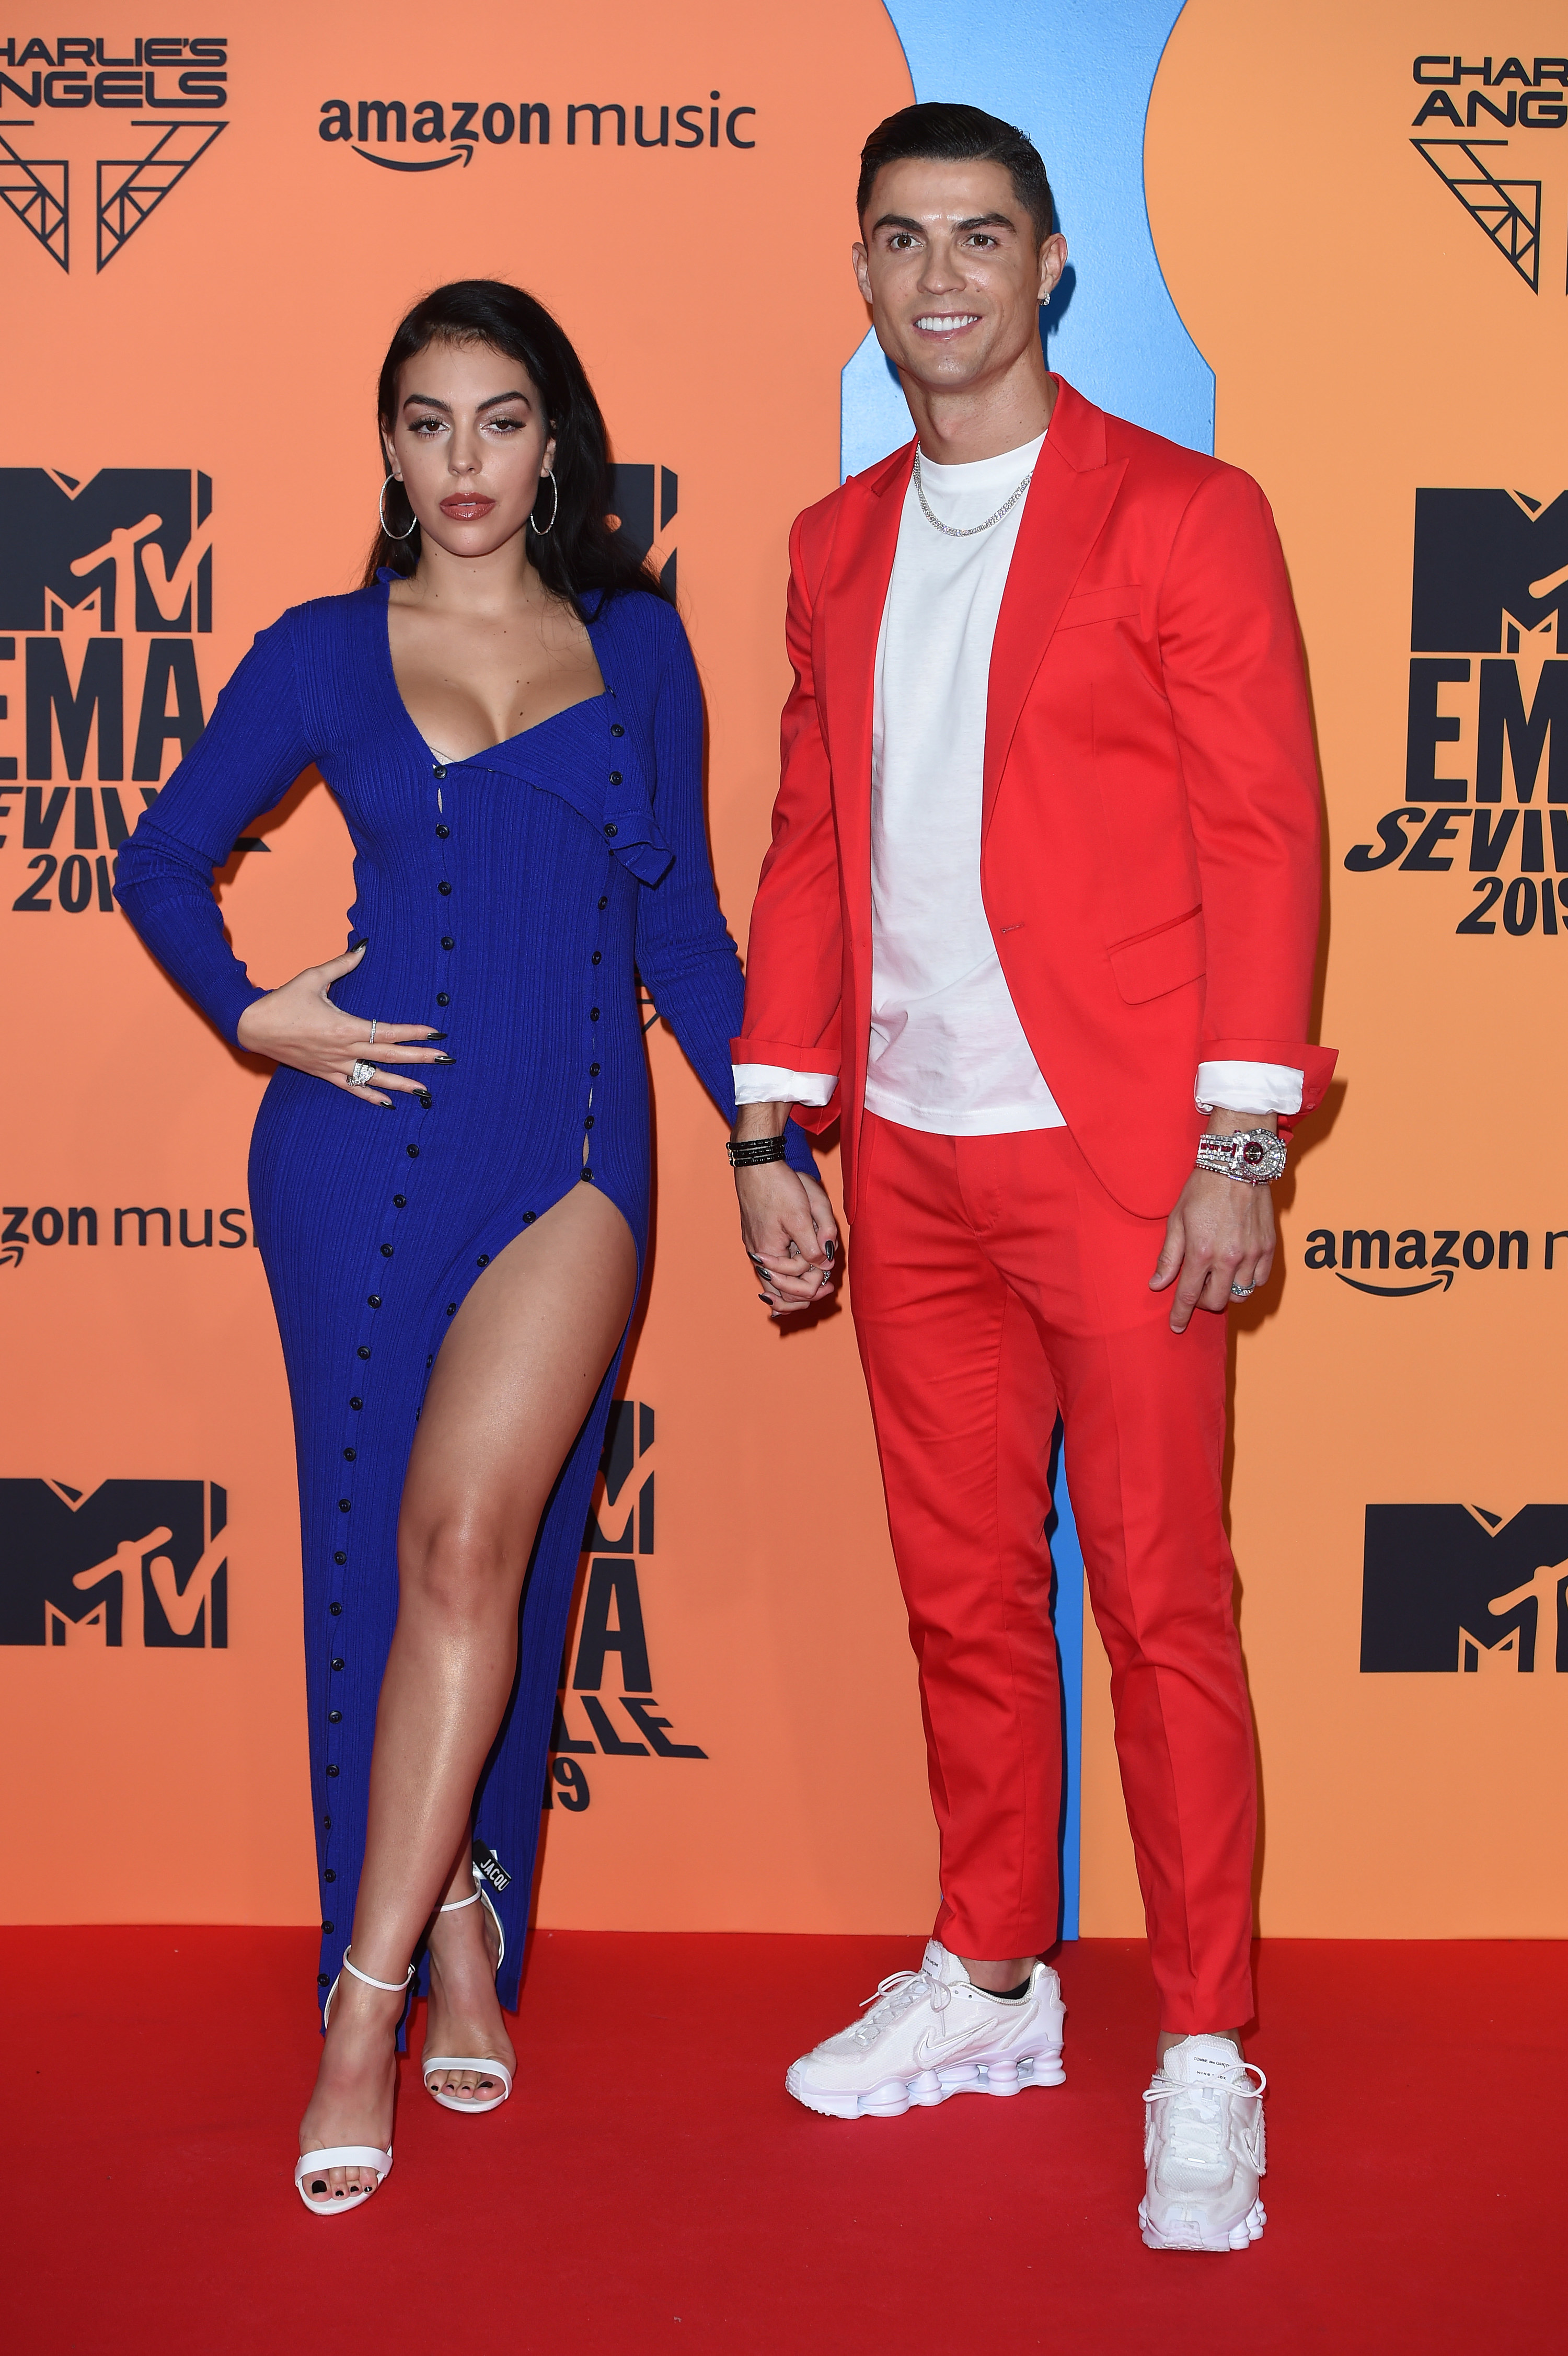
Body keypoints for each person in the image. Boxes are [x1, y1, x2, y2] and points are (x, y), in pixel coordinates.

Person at [114, 278, 823, 2215]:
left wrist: (763, 1133)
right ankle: (439, 1948)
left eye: (499, 422)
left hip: (574, 1153)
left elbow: (678, 924)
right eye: (425, 424)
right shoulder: (329, 649)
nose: (463, 465)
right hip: (348, 1165)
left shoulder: (638, 645)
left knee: (468, 1541)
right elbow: (158, 856)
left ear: (556, 442)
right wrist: (260, 1012)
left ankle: (357, 2002)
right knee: (374, 1564)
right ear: (389, 448)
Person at [727, 105, 1334, 2253]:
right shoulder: (832, 540)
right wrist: (770, 1117)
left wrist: (1238, 1142)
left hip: (1123, 1165)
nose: (943, 278)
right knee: (966, 1590)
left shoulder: (1184, 514)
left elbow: (1269, 835)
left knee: (1168, 1606)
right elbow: (813, 837)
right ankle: (990, 1973)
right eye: (902, 241)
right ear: (867, 273)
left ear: (1054, 263)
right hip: (908, 1165)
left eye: (982, 236)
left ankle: (1203, 2039)